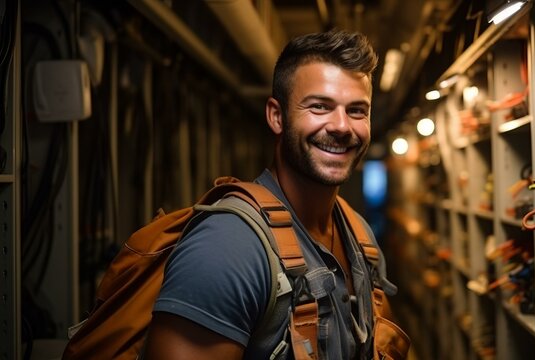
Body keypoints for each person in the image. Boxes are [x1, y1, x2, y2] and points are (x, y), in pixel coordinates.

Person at [144, 29, 405, 359]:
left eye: (357, 110)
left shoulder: (360, 236)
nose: (342, 126)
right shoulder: (227, 249)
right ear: (277, 116)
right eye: (320, 107)